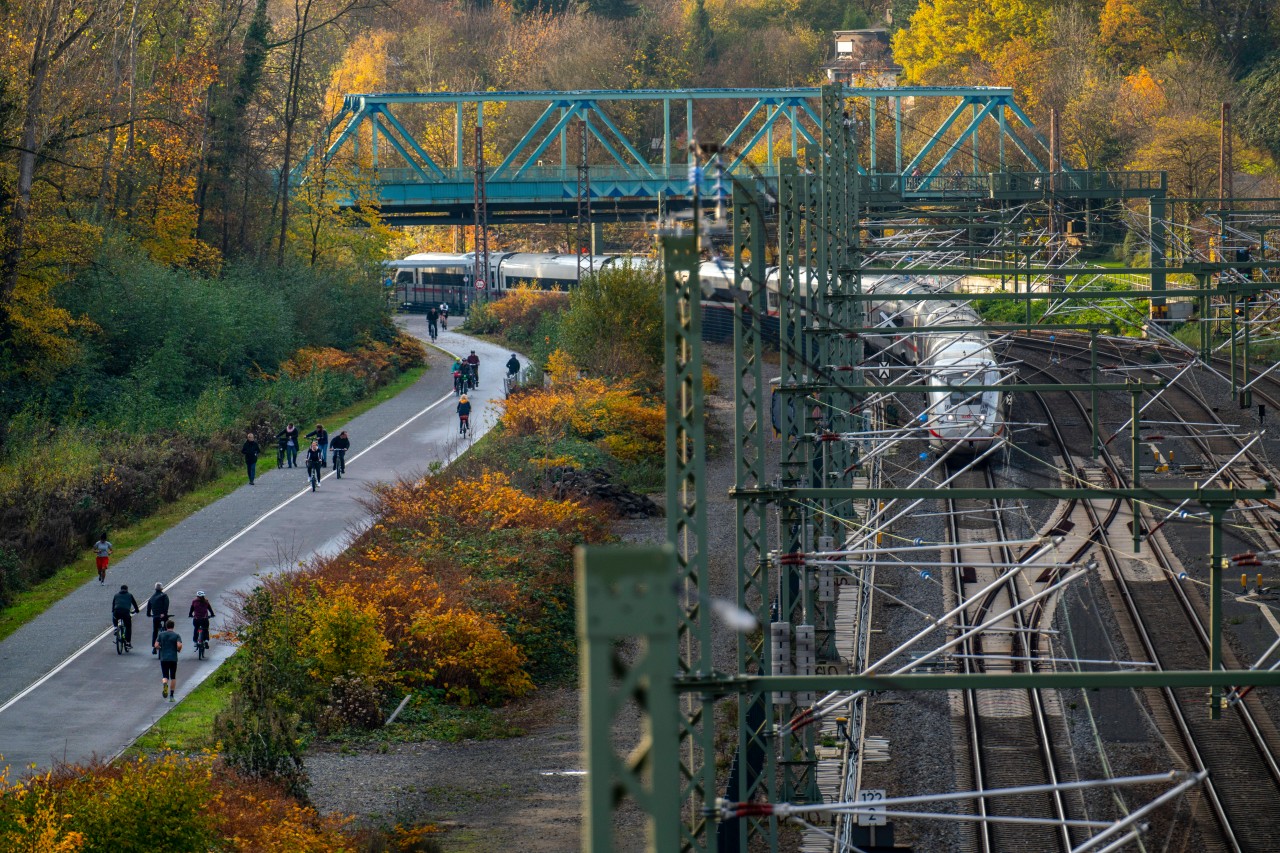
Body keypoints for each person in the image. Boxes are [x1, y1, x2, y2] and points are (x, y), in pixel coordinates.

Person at [155, 618, 182, 701]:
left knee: (165, 676)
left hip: (164, 658)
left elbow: (156, 645)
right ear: (173, 627)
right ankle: (171, 696)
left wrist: (160, 648)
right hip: (173, 659)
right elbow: (179, 645)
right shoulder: (176, 635)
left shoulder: (161, 635)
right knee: (173, 677)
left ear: (166, 626)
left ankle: (165, 684)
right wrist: (178, 650)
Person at [111, 584, 140, 650]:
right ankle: (128, 643)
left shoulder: (116, 595)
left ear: (120, 589)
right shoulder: (129, 595)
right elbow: (134, 604)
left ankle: (115, 628)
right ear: (127, 589)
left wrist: (113, 611)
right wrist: (137, 611)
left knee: (114, 616)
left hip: (117, 612)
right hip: (125, 613)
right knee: (128, 627)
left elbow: (113, 605)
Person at [146, 582, 170, 654]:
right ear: (162, 588)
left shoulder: (152, 597)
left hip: (155, 616)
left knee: (155, 631)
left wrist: (149, 614)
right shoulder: (164, 596)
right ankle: (167, 644)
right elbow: (166, 605)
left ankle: (154, 647)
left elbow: (148, 606)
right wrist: (164, 613)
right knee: (167, 628)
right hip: (163, 615)